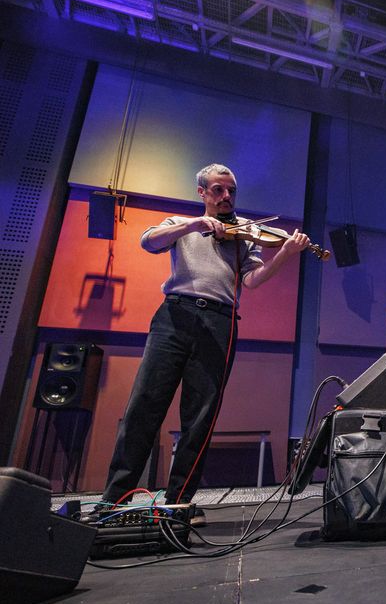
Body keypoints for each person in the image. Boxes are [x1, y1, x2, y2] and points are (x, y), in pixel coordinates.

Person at [93, 164, 310, 524]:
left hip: (220, 321)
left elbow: (252, 281)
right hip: (174, 316)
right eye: (218, 190)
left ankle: (178, 502)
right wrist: (194, 225)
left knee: (200, 418)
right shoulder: (180, 224)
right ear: (202, 192)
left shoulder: (242, 235)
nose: (226, 197)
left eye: (231, 191)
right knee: (144, 405)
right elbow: (148, 241)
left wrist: (286, 253)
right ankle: (114, 498)